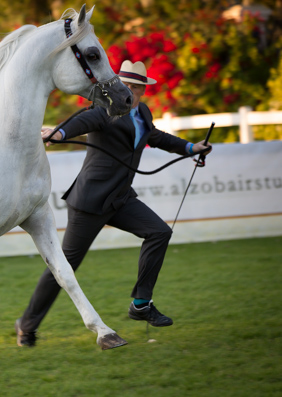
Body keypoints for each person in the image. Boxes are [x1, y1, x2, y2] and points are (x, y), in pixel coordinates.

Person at [15, 60, 212, 347]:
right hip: (90, 202)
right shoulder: (105, 109)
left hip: (121, 198)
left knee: (159, 232)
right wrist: (59, 134)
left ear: (143, 90)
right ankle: (27, 325)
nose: (129, 91)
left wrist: (191, 148)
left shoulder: (143, 112)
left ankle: (141, 304)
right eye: (126, 85)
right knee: (64, 267)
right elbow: (83, 122)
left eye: (135, 87)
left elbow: (154, 136)